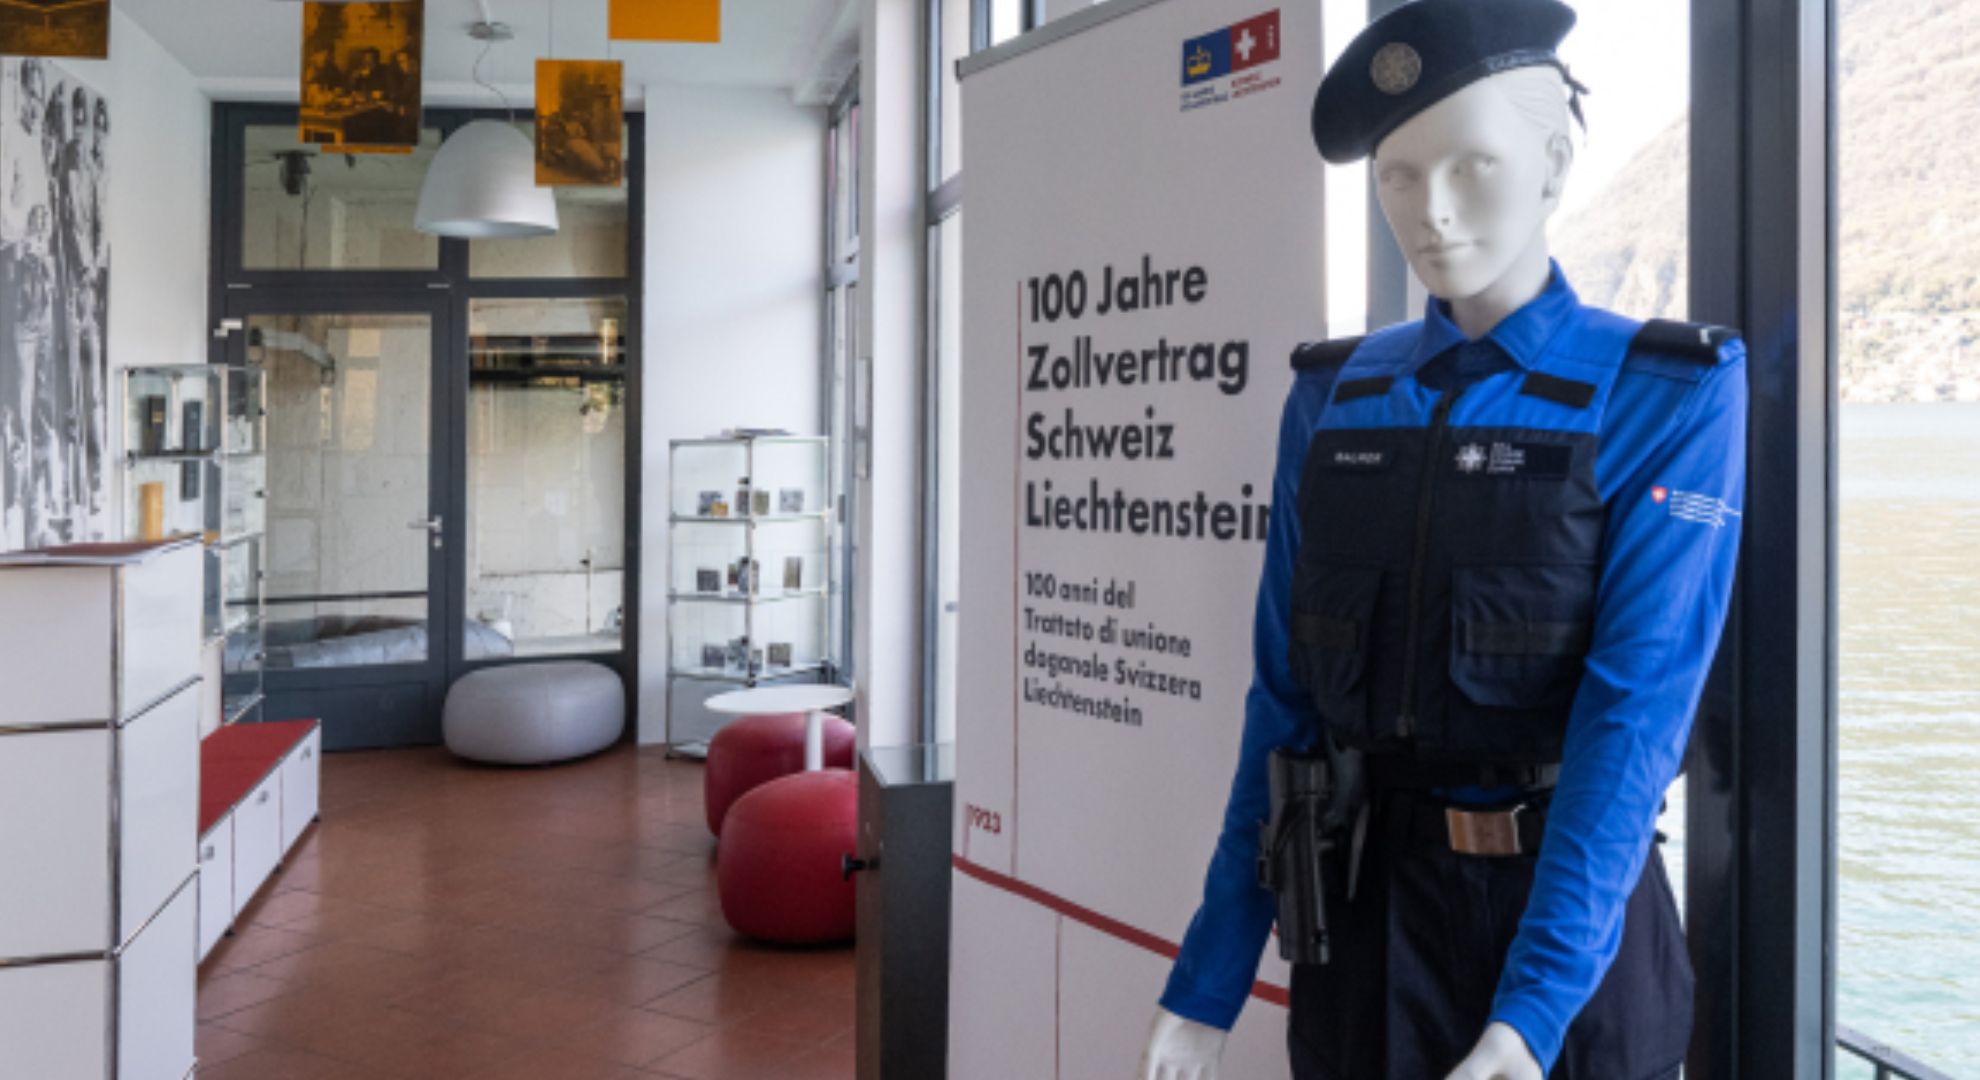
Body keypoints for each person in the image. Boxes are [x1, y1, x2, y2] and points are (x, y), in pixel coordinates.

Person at [1139, 2, 1746, 1078]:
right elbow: (1282, 708)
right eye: (1398, 176)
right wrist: (1210, 977)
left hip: (1575, 935)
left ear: (1556, 165)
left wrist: (1533, 1008)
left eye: (1473, 165)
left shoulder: (1664, 397)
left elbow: (1632, 724)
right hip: (1367, 929)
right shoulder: (1336, 398)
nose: (1433, 212)